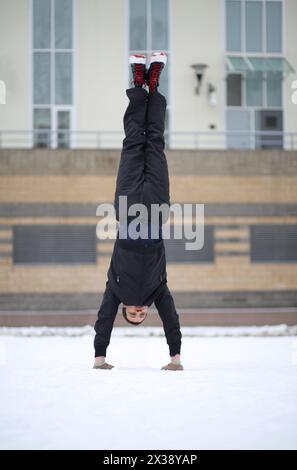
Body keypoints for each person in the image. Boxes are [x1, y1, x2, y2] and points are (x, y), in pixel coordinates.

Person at [93, 52, 183, 371]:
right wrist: (175, 357)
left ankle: (137, 83)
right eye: (140, 315)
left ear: (125, 312)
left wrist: (99, 357)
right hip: (157, 207)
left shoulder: (116, 290)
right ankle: (154, 86)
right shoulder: (157, 291)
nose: (137, 312)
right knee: (154, 142)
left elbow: (104, 318)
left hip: (128, 205)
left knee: (134, 143)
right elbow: (170, 317)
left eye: (132, 315)